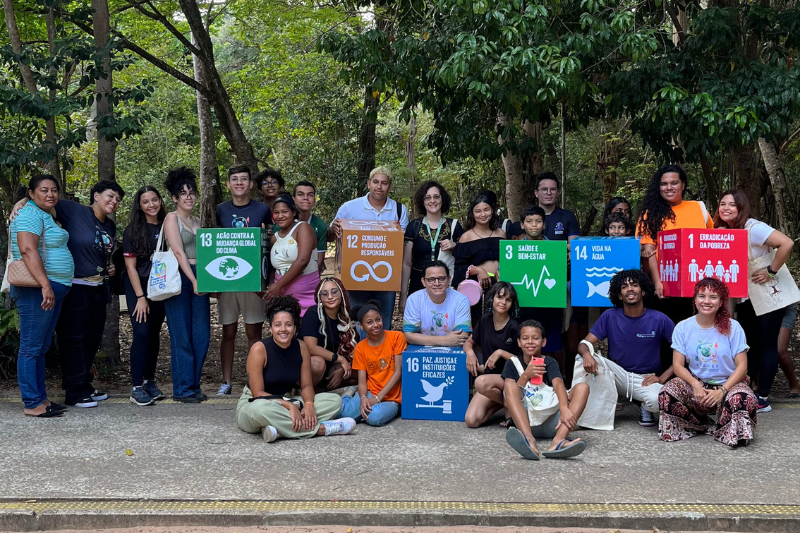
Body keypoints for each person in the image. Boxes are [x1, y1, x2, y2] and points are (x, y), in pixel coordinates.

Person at [35, 179, 123, 408]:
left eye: (118, 199)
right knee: (73, 339)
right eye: (110, 196)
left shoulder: (110, 226)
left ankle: (84, 384)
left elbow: (101, 253)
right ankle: (73, 391)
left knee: (92, 339)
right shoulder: (75, 211)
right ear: (96, 195)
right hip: (75, 287)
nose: (114, 201)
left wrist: (109, 266)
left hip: (98, 287)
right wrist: (21, 203)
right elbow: (44, 201)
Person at [714, 189, 796, 414]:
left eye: (732, 205)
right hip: (745, 298)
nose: (726, 208)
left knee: (768, 345)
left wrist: (771, 270)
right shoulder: (727, 231)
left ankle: (763, 397)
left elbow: (786, 243)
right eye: (723, 204)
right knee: (749, 344)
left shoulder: (754, 228)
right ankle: (748, 390)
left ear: (742, 208)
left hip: (767, 296)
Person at [235, 296, 356, 441]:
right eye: (278, 325)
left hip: (288, 399)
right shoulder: (259, 349)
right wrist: (289, 406)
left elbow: (306, 386)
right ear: (270, 329)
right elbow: (258, 394)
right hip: (257, 403)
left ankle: (278, 430)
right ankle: (322, 429)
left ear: (295, 328)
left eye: (288, 325)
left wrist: (309, 405)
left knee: (334, 401)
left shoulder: (301, 347)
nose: (283, 329)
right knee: (261, 410)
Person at [658, 278, 756, 447]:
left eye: (713, 297)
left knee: (742, 398)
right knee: (667, 393)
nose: (706, 301)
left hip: (729, 384)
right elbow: (678, 365)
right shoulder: (683, 327)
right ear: (694, 300)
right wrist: (695, 384)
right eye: (702, 296)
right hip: (698, 385)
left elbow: (742, 367)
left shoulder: (734, 327)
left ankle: (727, 429)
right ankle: (701, 424)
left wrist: (722, 391)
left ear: (721, 302)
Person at [9, 175, 74, 417]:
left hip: (52, 288)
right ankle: (32, 403)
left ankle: (41, 398)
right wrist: (45, 284)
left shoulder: (45, 214)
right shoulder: (29, 214)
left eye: (54, 190)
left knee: (41, 346)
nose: (50, 194)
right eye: (44, 190)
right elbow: (27, 249)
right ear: (32, 193)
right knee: (30, 347)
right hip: (35, 290)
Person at [578, 269, 675, 427]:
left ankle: (644, 405)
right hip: (616, 375)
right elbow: (583, 344)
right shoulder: (610, 315)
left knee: (659, 400)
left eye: (635, 285)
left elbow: (684, 352)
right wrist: (587, 354)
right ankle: (591, 413)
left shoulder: (659, 318)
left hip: (645, 379)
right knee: (582, 357)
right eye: (624, 286)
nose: (630, 289)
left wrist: (662, 378)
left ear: (643, 291)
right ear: (619, 295)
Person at [214, 165, 272, 396]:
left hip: (253, 281)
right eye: (234, 179)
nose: (239, 182)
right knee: (227, 332)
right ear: (228, 184)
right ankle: (226, 382)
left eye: (244, 179)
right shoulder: (219, 209)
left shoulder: (263, 209)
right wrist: (214, 283)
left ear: (250, 185)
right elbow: (213, 244)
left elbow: (270, 241)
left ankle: (253, 380)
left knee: (253, 333)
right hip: (227, 279)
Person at [328, 166, 409, 327]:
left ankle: (381, 352)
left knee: (383, 319)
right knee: (356, 319)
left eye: (384, 183)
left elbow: (402, 243)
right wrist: (333, 230)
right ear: (368, 184)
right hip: (356, 274)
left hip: (386, 276)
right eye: (376, 182)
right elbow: (330, 236)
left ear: (390, 186)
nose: (379, 187)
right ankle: (357, 351)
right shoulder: (349, 207)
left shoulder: (399, 210)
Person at [503, 320, 589, 460]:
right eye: (525, 338)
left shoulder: (549, 362)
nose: (530, 342)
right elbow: (508, 401)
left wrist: (564, 408)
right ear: (518, 342)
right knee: (509, 385)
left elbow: (558, 384)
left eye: (536, 338)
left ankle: (558, 441)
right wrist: (526, 375)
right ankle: (528, 440)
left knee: (583, 387)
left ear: (543, 342)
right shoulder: (512, 364)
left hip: (554, 424)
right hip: (527, 421)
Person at [162, 167, 211, 403]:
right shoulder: (172, 218)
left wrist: (207, 280)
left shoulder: (198, 221)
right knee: (181, 334)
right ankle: (182, 388)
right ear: (174, 198)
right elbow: (179, 253)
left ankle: (194, 383)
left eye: (191, 192)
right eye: (183, 193)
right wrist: (193, 280)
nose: (188, 197)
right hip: (181, 277)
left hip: (200, 275)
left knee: (202, 335)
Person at [122, 186, 167, 406]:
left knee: (154, 334)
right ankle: (136, 386)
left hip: (160, 286)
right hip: (138, 287)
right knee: (141, 332)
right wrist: (140, 297)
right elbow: (130, 267)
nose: (151, 205)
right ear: (139, 206)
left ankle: (149, 381)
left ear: (160, 201)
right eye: (145, 201)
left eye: (154, 200)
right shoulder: (132, 231)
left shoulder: (168, 226)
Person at [463, 282, 521, 428]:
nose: (503, 302)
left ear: (512, 303)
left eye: (508, 300)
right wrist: (470, 353)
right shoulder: (485, 320)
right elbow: (468, 343)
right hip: (491, 382)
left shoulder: (514, 327)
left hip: (512, 380)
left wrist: (500, 353)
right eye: (499, 297)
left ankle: (510, 403)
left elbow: (522, 362)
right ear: (492, 298)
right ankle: (505, 403)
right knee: (472, 420)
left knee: (480, 382)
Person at [340, 300, 406, 426]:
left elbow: (398, 372)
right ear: (361, 326)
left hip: (392, 398)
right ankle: (348, 395)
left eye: (378, 319)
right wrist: (364, 398)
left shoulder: (397, 337)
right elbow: (362, 380)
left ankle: (361, 414)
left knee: (374, 417)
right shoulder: (360, 348)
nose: (375, 325)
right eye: (369, 322)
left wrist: (377, 399)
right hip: (371, 391)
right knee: (345, 414)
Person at [400, 181, 460, 311]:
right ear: (422, 201)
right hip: (418, 285)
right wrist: (403, 296)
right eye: (427, 197)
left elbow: (465, 257)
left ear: (443, 199)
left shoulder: (454, 226)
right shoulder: (414, 226)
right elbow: (406, 263)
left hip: (446, 286)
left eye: (436, 196)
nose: (432, 201)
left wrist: (455, 246)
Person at [452, 194, 505, 325]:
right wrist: (478, 270)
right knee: (481, 325)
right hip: (479, 288)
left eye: (486, 210)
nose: (483, 214)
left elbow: (509, 259)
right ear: (472, 213)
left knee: (501, 323)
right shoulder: (466, 237)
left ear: (493, 210)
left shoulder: (501, 233)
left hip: (501, 285)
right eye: (478, 211)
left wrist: (503, 270)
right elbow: (458, 268)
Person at [301, 277, 358, 390]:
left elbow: (354, 352)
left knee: (358, 373)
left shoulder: (345, 316)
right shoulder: (313, 313)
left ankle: (326, 390)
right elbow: (310, 347)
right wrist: (340, 359)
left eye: (334, 292)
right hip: (309, 364)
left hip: (332, 366)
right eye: (325, 294)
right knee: (318, 363)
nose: (330, 297)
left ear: (342, 293)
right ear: (319, 298)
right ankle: (305, 392)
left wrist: (341, 371)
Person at [268, 194, 320, 314]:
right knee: (287, 329)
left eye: (285, 211)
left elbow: (303, 260)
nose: (280, 216)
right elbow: (271, 267)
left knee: (308, 329)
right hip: (282, 295)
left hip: (307, 293)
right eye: (276, 212)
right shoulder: (274, 239)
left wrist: (278, 286)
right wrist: (271, 286)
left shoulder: (303, 228)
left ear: (294, 212)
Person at [403, 261, 472, 346]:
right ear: (423, 282)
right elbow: (408, 336)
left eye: (441, 279)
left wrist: (423, 339)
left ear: (449, 279)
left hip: (454, 352)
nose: (437, 283)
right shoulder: (414, 299)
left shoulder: (461, 300)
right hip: (422, 351)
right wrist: (444, 340)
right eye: (431, 279)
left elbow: (463, 336)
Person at [290, 181, 328, 274]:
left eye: (310, 195)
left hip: (310, 278)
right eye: (300, 194)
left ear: (314, 200)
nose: (305, 198)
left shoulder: (320, 224)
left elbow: (319, 260)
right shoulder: (284, 223)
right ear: (293, 199)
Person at [778, 304, 799, 398]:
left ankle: (794, 385)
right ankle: (758, 386)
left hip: (786, 306)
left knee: (781, 349)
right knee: (760, 347)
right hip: (764, 308)